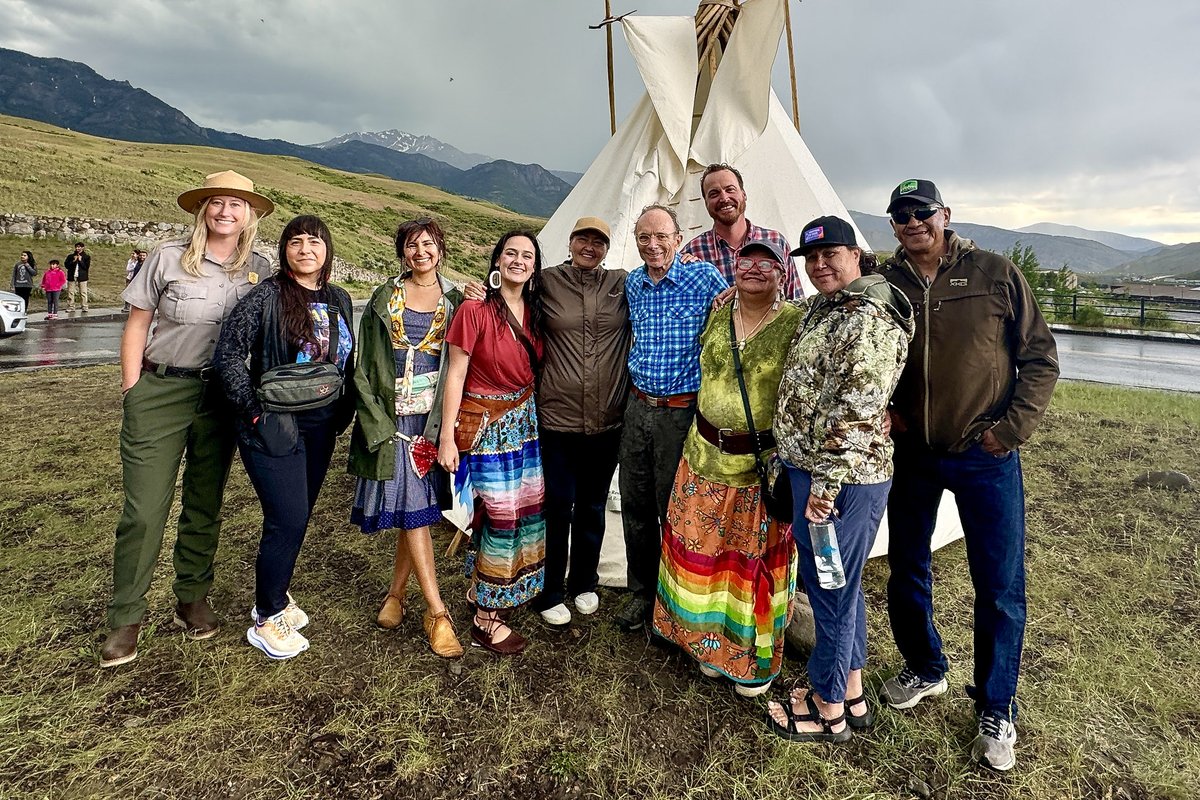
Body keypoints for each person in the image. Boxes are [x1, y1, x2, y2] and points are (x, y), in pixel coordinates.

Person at [878, 179, 1059, 771]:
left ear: (944, 215)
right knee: (907, 564)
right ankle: (925, 667)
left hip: (986, 453)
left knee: (999, 582)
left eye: (921, 212)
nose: (911, 222)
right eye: (901, 215)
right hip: (915, 452)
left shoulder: (993, 273)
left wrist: (1007, 431)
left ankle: (997, 704)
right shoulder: (886, 281)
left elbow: (1039, 358)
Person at [99, 170, 274, 668]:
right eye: (217, 203)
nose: (225, 212)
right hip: (161, 390)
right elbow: (137, 324)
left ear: (250, 215)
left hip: (221, 398)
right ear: (203, 210)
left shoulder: (258, 269)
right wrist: (133, 388)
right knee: (144, 510)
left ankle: (191, 598)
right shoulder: (167, 257)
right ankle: (126, 618)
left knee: (205, 499)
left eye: (236, 205)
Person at [764, 215, 913, 744]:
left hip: (844, 481)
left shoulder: (869, 318)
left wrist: (823, 489)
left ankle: (825, 706)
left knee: (830, 588)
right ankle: (852, 690)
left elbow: (855, 409)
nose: (821, 264)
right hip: (818, 474)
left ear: (857, 255)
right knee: (841, 587)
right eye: (812, 258)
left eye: (832, 254)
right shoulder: (830, 310)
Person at [652, 239, 799, 696]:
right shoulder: (718, 311)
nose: (754, 269)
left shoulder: (796, 323)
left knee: (746, 565)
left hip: (757, 469)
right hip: (700, 459)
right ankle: (704, 646)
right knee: (702, 557)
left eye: (766, 263)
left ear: (783, 273)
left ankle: (746, 657)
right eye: (746, 260)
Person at [214, 214, 355, 660]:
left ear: (328, 250)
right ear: (284, 251)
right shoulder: (267, 296)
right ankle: (266, 616)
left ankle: (276, 594)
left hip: (322, 423)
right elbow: (229, 355)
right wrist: (253, 414)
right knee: (287, 517)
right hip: (274, 422)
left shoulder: (338, 298)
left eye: (315, 242)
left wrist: (343, 414)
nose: (305, 249)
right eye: (296, 242)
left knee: (301, 514)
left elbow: (345, 363)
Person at [349, 217, 465, 659]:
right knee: (413, 508)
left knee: (411, 508)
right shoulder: (384, 297)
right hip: (391, 421)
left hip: (431, 423)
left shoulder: (455, 299)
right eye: (413, 245)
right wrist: (375, 423)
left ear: (440, 250)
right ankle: (437, 613)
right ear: (403, 252)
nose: (422, 252)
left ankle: (396, 596)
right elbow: (362, 367)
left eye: (429, 244)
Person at [616, 204, 727, 633]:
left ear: (679, 240)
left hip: (680, 413)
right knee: (636, 505)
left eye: (662, 236)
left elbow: (737, 311)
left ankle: (675, 600)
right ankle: (641, 592)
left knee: (675, 509)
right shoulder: (633, 284)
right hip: (637, 407)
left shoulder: (703, 278)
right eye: (644, 237)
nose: (653, 245)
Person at [437, 230, 546, 655]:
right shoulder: (474, 309)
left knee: (525, 514)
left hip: (526, 424)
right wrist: (447, 437)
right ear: (497, 260)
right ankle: (486, 619)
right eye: (511, 253)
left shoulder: (537, 311)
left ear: (535, 266)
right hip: (486, 424)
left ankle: (481, 591)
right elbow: (456, 375)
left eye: (527, 256)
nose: (518, 260)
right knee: (499, 517)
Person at [529, 216, 631, 626]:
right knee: (558, 504)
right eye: (583, 239)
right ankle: (551, 586)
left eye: (599, 241)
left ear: (607, 248)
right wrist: (476, 289)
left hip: (607, 420)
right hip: (558, 418)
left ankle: (584, 582)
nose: (590, 246)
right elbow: (507, 298)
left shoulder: (623, 283)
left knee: (592, 504)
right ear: (570, 242)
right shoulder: (546, 281)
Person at [682, 163, 804, 300]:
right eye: (714, 193)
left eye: (730, 189)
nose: (724, 198)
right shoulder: (693, 252)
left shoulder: (775, 241)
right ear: (706, 203)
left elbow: (796, 302)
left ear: (744, 195)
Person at [65, 242, 91, 313]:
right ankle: (71, 306)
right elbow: (67, 265)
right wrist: (73, 261)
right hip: (72, 276)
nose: (77, 248)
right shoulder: (71, 256)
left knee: (83, 292)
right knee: (70, 292)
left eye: (79, 247)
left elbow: (86, 267)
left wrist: (80, 260)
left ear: (82, 248)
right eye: (76, 247)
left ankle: (84, 306)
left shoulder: (86, 257)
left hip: (82, 277)